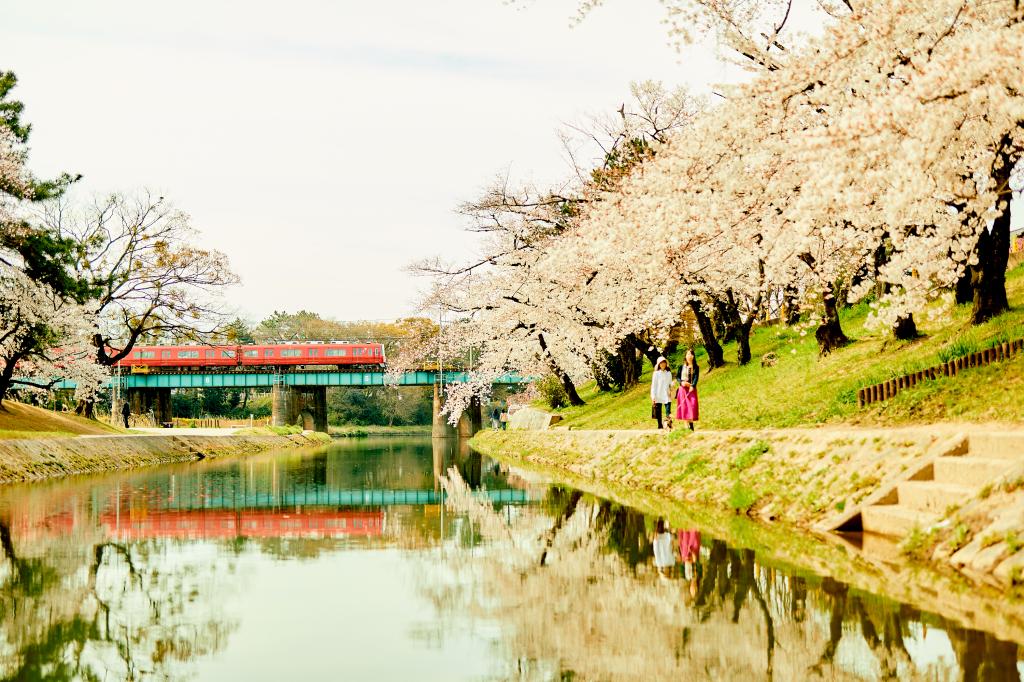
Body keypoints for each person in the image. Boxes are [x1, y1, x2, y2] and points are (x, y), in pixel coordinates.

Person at [676, 348, 700, 431]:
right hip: (683, 389)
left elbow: (696, 377)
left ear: (693, 356)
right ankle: (687, 426)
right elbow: (677, 377)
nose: (689, 356)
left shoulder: (696, 367)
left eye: (691, 354)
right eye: (688, 354)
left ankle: (691, 423)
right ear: (685, 356)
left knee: (692, 405)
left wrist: (692, 385)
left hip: (691, 389)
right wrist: (682, 382)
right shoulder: (681, 367)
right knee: (684, 407)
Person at [650, 356, 673, 430]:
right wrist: (653, 396)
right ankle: (660, 425)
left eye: (664, 363)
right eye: (661, 363)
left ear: (666, 364)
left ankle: (669, 425)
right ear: (659, 364)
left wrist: (672, 387)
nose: (663, 364)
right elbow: (654, 385)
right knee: (658, 412)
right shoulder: (656, 374)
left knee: (668, 411)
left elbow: (670, 383)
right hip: (658, 395)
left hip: (667, 394)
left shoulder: (668, 373)